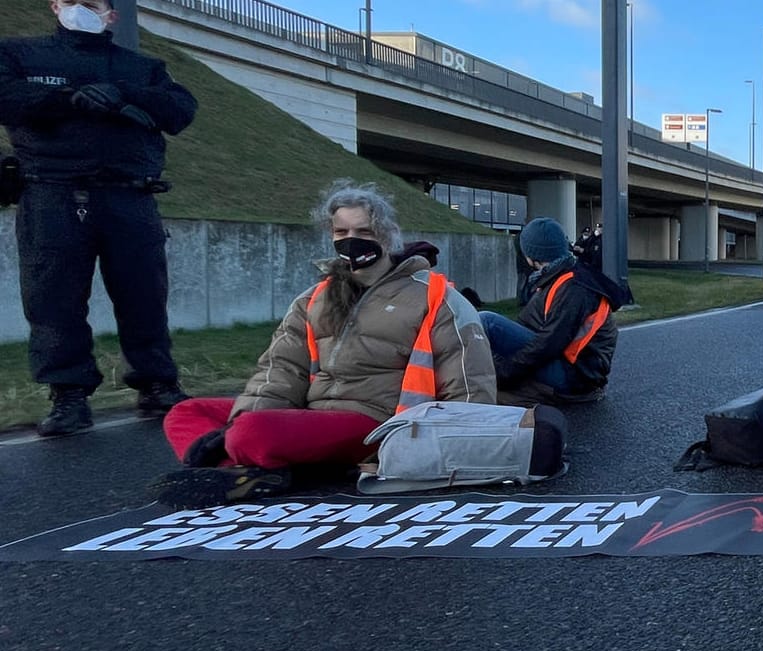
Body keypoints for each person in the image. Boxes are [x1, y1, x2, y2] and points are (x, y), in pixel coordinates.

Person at [148, 181, 497, 509]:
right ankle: (256, 467)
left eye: (363, 232)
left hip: (377, 423)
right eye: (341, 232)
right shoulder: (314, 298)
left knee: (251, 434)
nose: (351, 241)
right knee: (187, 413)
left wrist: (459, 446)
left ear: (387, 235)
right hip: (312, 414)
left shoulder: (434, 297)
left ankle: (247, 463)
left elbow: (468, 379)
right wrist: (244, 418)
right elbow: (282, 369)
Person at [0, 0, 199, 436]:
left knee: (144, 294)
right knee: (53, 300)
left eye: (91, 4)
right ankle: (68, 395)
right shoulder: (19, 54)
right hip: (51, 193)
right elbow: (7, 97)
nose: (80, 10)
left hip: (129, 195)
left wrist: (123, 93)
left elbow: (180, 109)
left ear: (111, 15)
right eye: (72, 2)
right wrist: (66, 99)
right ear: (55, 6)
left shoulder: (141, 66)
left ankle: (156, 383)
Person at [480, 217, 624, 405]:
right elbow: (528, 327)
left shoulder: (573, 288)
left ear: (530, 255)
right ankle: (474, 378)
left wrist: (503, 374)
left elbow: (548, 345)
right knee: (490, 329)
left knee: (487, 322)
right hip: (572, 369)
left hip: (576, 377)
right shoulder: (560, 278)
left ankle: (467, 381)